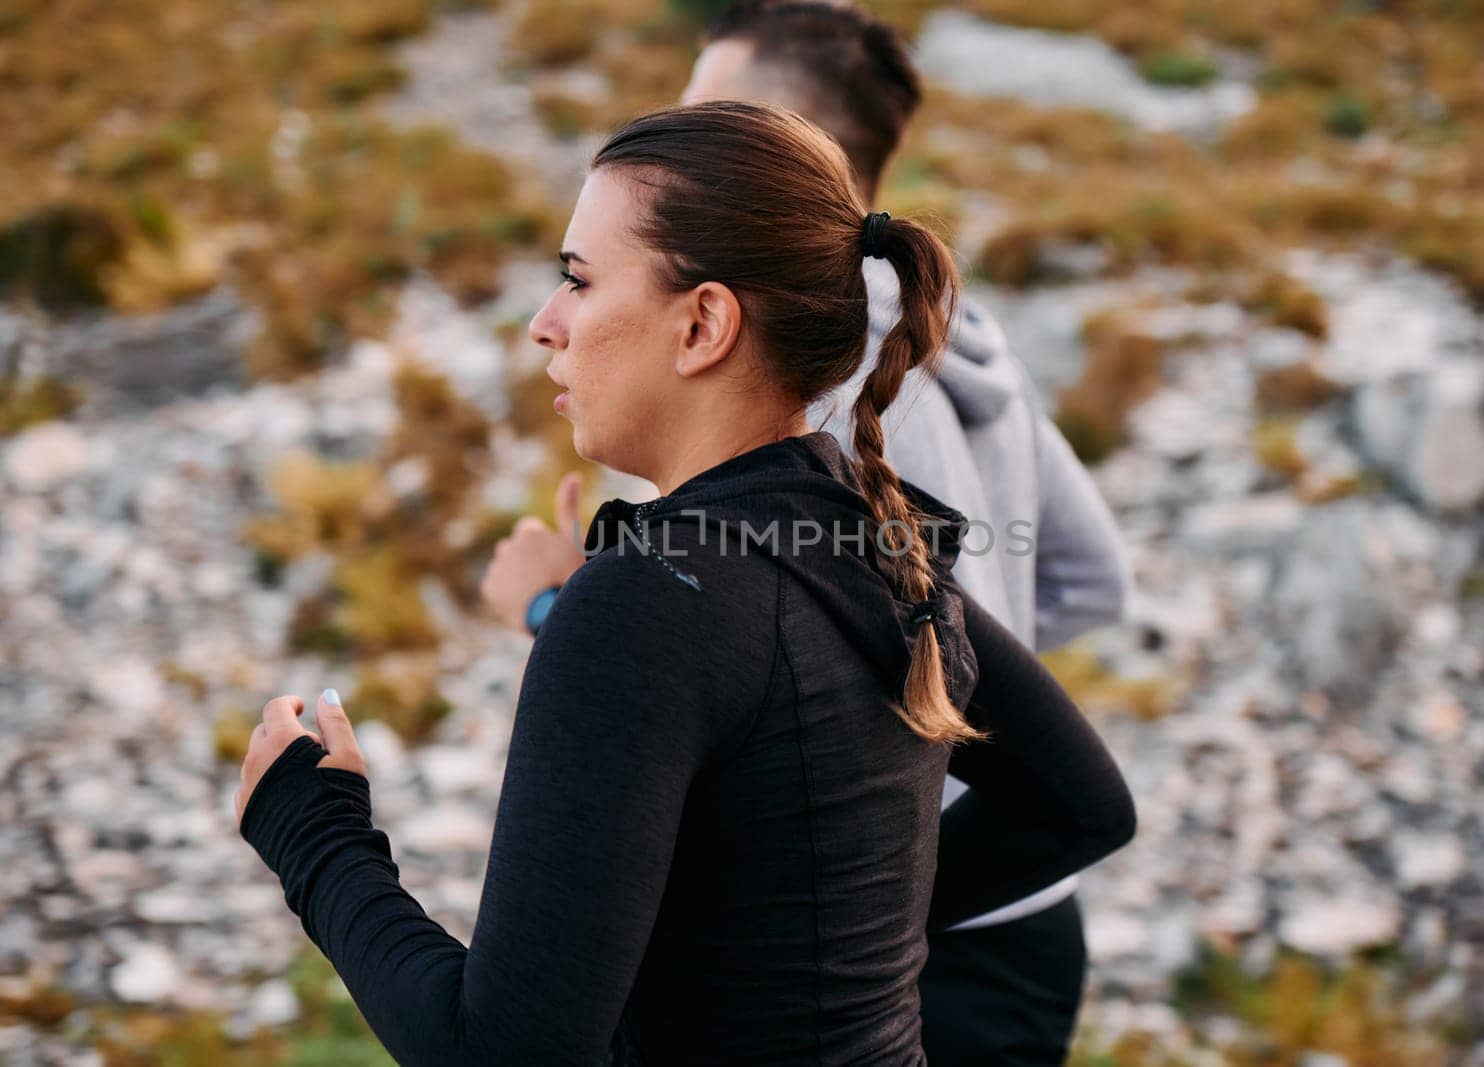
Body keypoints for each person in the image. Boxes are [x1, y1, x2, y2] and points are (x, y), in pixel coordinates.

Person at [233, 99, 1135, 1065]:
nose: (546, 325)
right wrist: (842, 949)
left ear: (704, 324)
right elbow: (1078, 804)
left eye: (577, 281)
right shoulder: (873, 536)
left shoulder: (641, 603)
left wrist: (314, 835)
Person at [481, 3, 1133, 1062]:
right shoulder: (967, 352)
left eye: (712, 116)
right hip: (1014, 901)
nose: (678, 139)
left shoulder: (818, 388)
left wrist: (558, 608)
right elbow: (1085, 578)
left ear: (787, 147)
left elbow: (779, 642)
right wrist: (945, 678)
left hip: (914, 928)